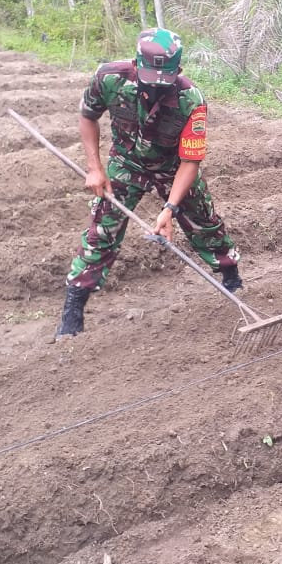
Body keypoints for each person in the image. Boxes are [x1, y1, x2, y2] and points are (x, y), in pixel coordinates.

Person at [55, 27, 242, 339]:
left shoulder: (190, 100)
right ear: (135, 62)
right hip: (127, 162)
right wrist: (94, 168)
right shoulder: (109, 78)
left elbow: (190, 161)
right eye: (149, 78)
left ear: (177, 72)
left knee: (203, 221)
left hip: (172, 165)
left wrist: (169, 208)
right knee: (103, 227)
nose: (155, 89)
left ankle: (231, 275)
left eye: (163, 82)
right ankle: (74, 306)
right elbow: (88, 115)